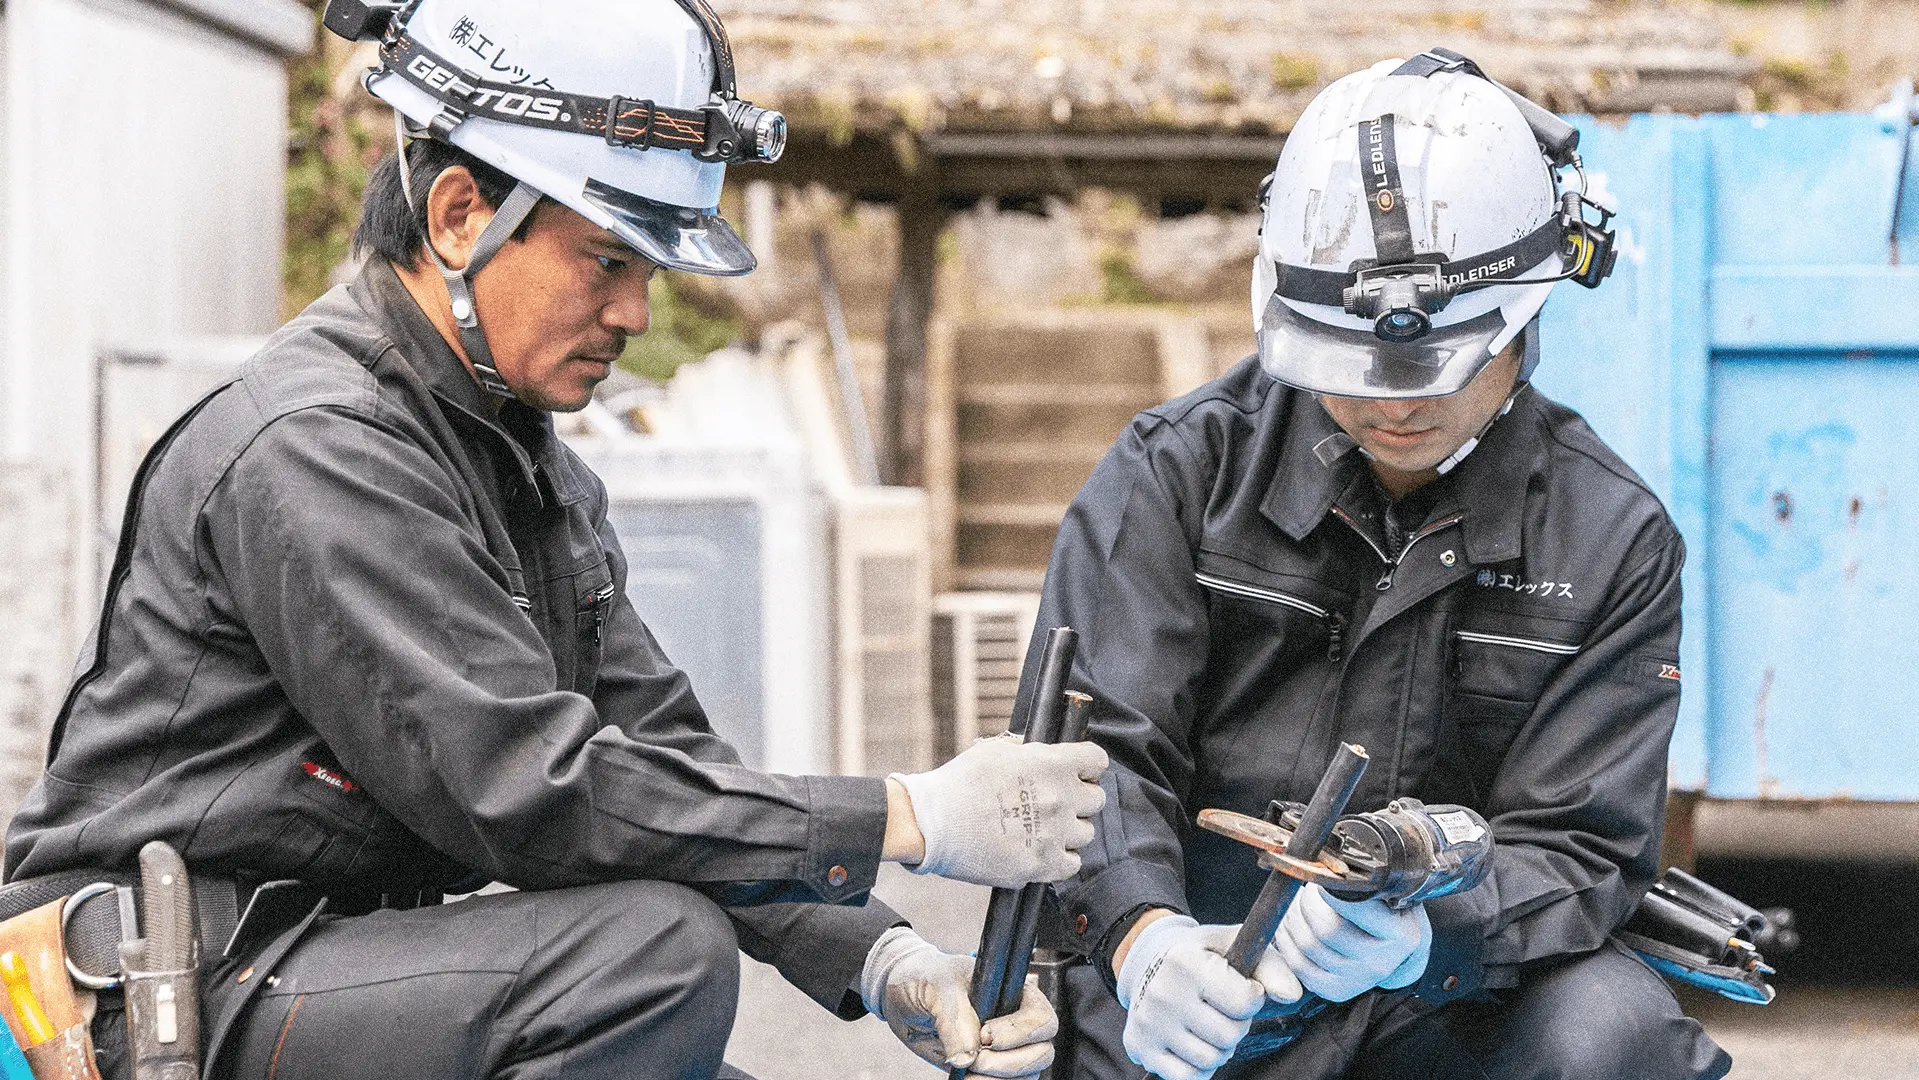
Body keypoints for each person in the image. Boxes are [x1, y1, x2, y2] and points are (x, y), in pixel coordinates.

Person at [1, 3, 1108, 1078]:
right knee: (651, 957)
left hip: (299, 965)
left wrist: (883, 957)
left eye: (649, 271)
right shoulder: (318, 448)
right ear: (457, 216)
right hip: (153, 999)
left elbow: (660, 755)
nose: (635, 313)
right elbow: (531, 794)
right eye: (606, 260)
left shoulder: (517, 462)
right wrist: (909, 816)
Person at [1024, 53, 1733, 1080]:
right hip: (1183, 987)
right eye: (1350, 367)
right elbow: (1087, 752)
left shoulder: (1610, 537)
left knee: (1610, 1040)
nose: (1393, 403)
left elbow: (1580, 845)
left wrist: (1429, 932)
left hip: (1439, 1000)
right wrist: (1141, 939)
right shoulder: (1175, 474)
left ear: (1527, 312)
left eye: (1436, 364)